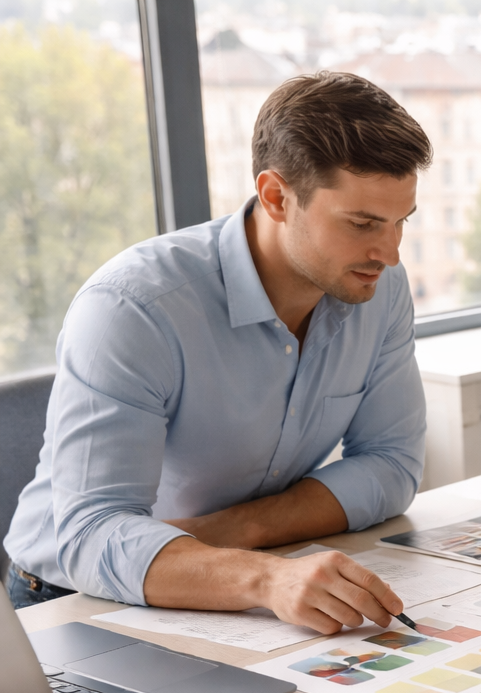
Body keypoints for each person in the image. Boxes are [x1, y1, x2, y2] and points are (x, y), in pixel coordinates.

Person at [4, 72, 432, 636]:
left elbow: (391, 465)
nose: (391, 254)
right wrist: (264, 580)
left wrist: (234, 535)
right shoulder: (133, 308)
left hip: (251, 565)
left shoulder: (374, 286)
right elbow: (90, 536)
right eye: (362, 224)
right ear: (277, 197)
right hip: (71, 595)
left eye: (402, 221)